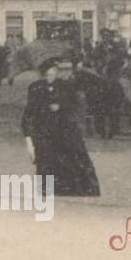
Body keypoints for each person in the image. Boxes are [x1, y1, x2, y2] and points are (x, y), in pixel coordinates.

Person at [21, 60, 100, 197]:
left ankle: (74, 187)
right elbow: (31, 109)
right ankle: (48, 188)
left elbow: (75, 104)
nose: (49, 77)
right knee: (46, 158)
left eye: (52, 74)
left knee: (71, 155)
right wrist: (29, 131)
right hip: (44, 127)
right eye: (46, 75)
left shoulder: (66, 86)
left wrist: (61, 106)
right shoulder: (35, 87)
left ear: (57, 73)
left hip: (64, 126)